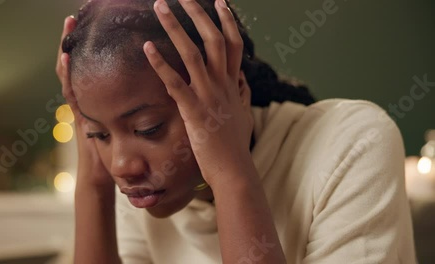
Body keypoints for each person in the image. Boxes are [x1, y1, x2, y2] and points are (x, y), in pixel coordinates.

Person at [55, 0, 417, 263]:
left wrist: (229, 173)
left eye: (149, 128)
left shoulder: (354, 143)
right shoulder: (145, 189)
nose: (121, 165)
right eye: (98, 134)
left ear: (236, 91)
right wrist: (94, 185)